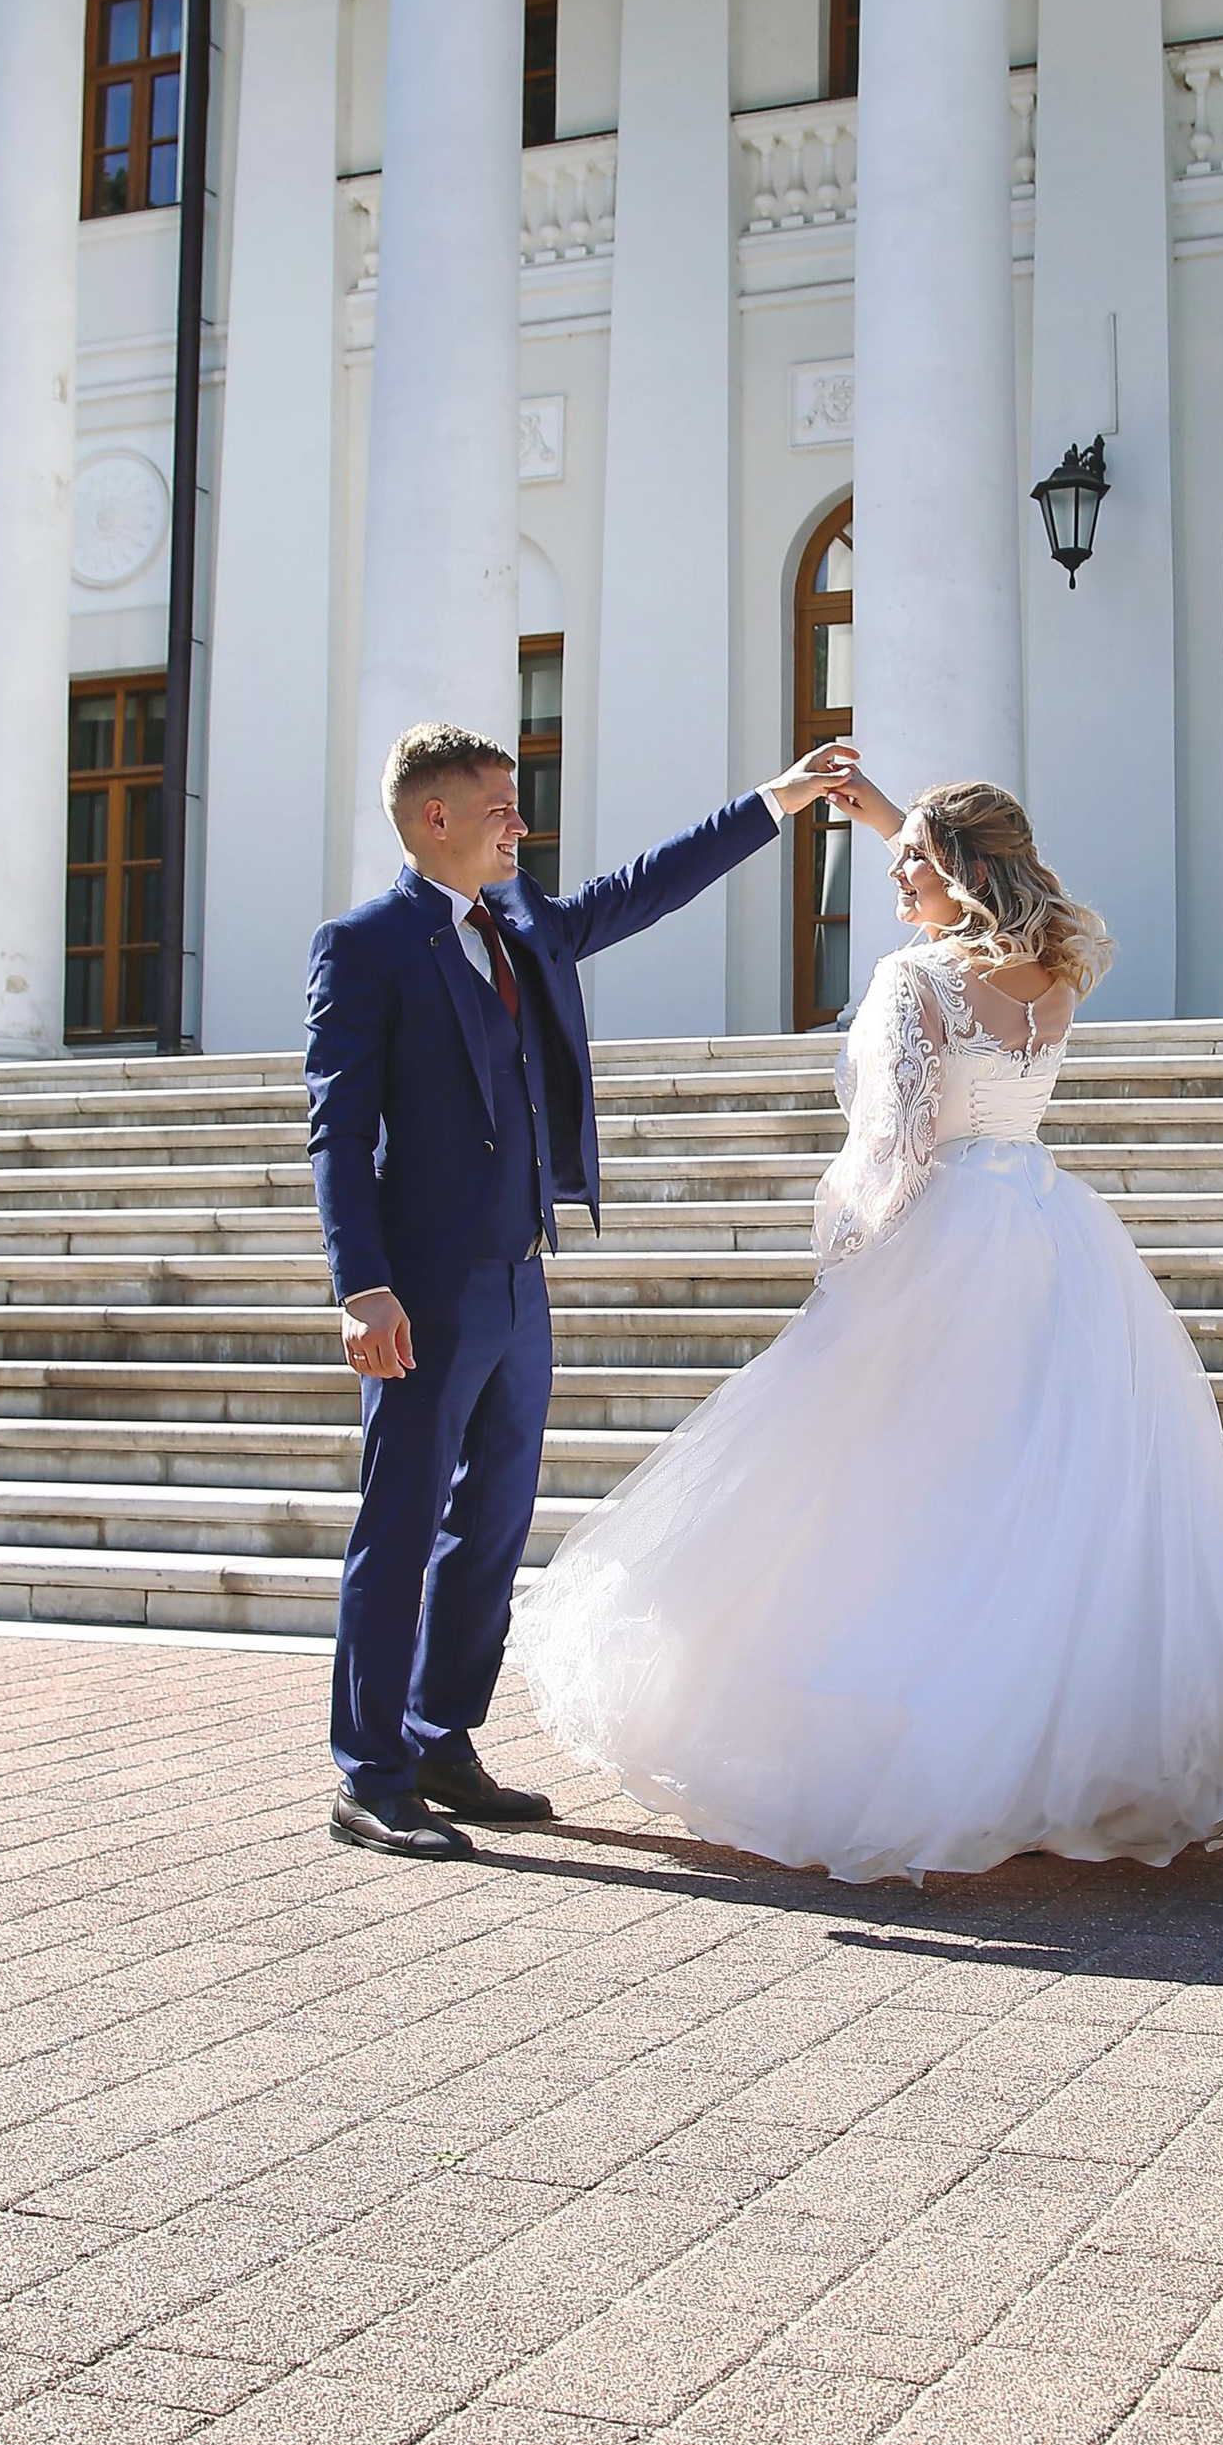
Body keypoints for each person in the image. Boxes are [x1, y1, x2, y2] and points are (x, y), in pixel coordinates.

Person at [514, 775, 1223, 1883]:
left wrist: (853, 1257)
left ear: (956, 870)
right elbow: (972, 922)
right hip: (1053, 1229)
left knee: (900, 1488)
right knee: (1040, 1491)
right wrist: (892, 813)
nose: (890, 871)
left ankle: (927, 1759)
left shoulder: (911, 976)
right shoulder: (1056, 965)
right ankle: (1065, 1761)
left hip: (949, 1231)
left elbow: (899, 1145)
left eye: (908, 857)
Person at [305, 719, 859, 1857]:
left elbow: (645, 887)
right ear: (434, 818)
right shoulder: (364, 946)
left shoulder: (523, 925)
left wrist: (780, 800)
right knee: (400, 1524)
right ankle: (369, 1771)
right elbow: (338, 1129)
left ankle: (441, 1735)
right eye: (500, 805)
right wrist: (362, 1286)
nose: (523, 822)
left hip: (519, 1281)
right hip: (420, 1288)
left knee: (492, 1524)